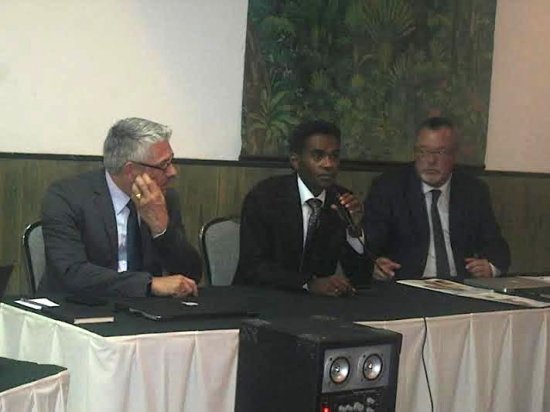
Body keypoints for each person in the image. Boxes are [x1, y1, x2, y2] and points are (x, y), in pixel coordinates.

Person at [39, 117, 202, 297]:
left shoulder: (164, 198)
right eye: (164, 165)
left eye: (171, 162)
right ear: (131, 170)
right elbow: (72, 273)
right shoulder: (67, 197)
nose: (172, 172)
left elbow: (191, 274)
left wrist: (161, 230)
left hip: (145, 308)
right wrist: (148, 284)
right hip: (81, 304)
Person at [233, 120, 371, 296]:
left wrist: (354, 230)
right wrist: (307, 283)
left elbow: (361, 277)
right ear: (296, 161)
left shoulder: (341, 201)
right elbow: (254, 267)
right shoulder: (265, 197)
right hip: (261, 297)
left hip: (317, 304)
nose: (328, 164)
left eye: (334, 156)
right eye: (318, 156)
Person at [363, 117, 510, 281]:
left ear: (454, 155)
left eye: (439, 152)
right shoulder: (389, 187)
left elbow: (496, 245)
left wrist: (490, 267)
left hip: (460, 286)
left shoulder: (472, 190)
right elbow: (370, 244)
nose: (430, 161)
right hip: (408, 285)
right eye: (423, 151)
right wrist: (374, 264)